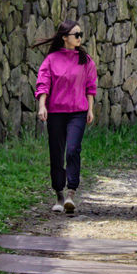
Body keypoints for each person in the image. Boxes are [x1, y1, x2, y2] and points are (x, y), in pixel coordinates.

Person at [34, 19, 97, 214]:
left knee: (72, 150)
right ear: (64, 38)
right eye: (75, 35)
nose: (79, 38)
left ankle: (71, 192)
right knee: (56, 152)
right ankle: (59, 195)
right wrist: (42, 106)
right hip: (56, 112)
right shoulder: (51, 60)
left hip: (78, 112)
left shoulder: (85, 60)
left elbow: (90, 87)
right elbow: (43, 83)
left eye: (80, 34)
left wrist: (90, 109)